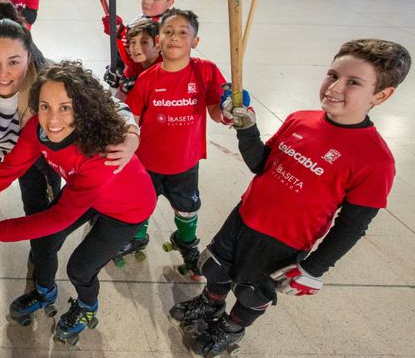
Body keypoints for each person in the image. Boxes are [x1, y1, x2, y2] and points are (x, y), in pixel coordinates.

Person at [169, 39, 410, 356]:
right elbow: (260, 164)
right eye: (332, 74)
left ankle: (230, 328)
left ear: (381, 94)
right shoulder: (300, 119)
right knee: (216, 268)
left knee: (252, 292)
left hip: (283, 242)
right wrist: (247, 129)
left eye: (353, 82)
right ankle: (210, 303)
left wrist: (314, 268)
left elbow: (352, 225)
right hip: (244, 216)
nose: (334, 87)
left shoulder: (376, 160)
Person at [0, 61, 157, 346]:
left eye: (65, 107)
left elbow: (58, 218)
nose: (52, 119)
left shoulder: (101, 153)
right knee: (44, 242)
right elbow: (6, 172)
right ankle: (45, 291)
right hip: (86, 191)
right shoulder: (38, 130)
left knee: (80, 268)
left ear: (83, 109)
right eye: (45, 106)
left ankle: (87, 308)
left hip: (127, 209)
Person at [0, 9, 141, 289]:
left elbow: (109, 104)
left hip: (39, 151)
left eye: (14, 62)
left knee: (38, 205)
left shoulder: (50, 77)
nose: (3, 74)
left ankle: (38, 249)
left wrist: (132, 132)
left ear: (29, 56)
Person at [124, 9, 229, 277]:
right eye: (168, 32)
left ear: (195, 41)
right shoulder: (148, 79)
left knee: (187, 207)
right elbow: (131, 118)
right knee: (141, 202)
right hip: (147, 161)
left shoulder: (205, 71)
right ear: (158, 40)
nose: (174, 37)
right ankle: (137, 236)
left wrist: (230, 111)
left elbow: (217, 111)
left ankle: (186, 242)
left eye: (183, 33)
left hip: (184, 162)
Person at [104, 0, 180, 96]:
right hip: (126, 86)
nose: (148, 2)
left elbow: (140, 59)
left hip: (143, 93)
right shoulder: (143, 18)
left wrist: (119, 34)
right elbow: (128, 49)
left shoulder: (166, 28)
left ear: (170, 2)